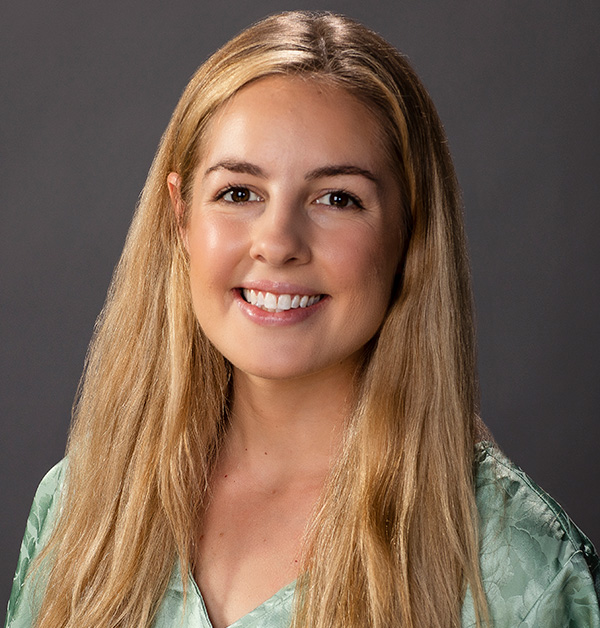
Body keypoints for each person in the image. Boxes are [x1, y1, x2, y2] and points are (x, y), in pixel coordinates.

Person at [5, 10, 599, 628]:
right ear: (179, 216)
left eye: (337, 198)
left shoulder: (517, 568)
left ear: (412, 230)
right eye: (239, 193)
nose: (278, 242)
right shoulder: (81, 507)